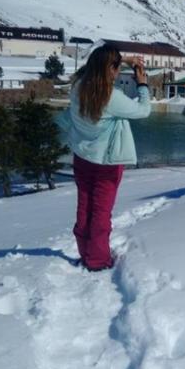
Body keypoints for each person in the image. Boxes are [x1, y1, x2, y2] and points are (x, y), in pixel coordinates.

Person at [57, 45, 151, 271]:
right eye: (117, 67)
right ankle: (98, 261)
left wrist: (119, 59)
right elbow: (144, 110)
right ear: (111, 69)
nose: (119, 72)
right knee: (100, 213)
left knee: (84, 208)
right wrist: (142, 84)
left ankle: (86, 252)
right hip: (106, 164)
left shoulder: (78, 87)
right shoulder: (111, 97)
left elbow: (83, 70)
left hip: (82, 158)